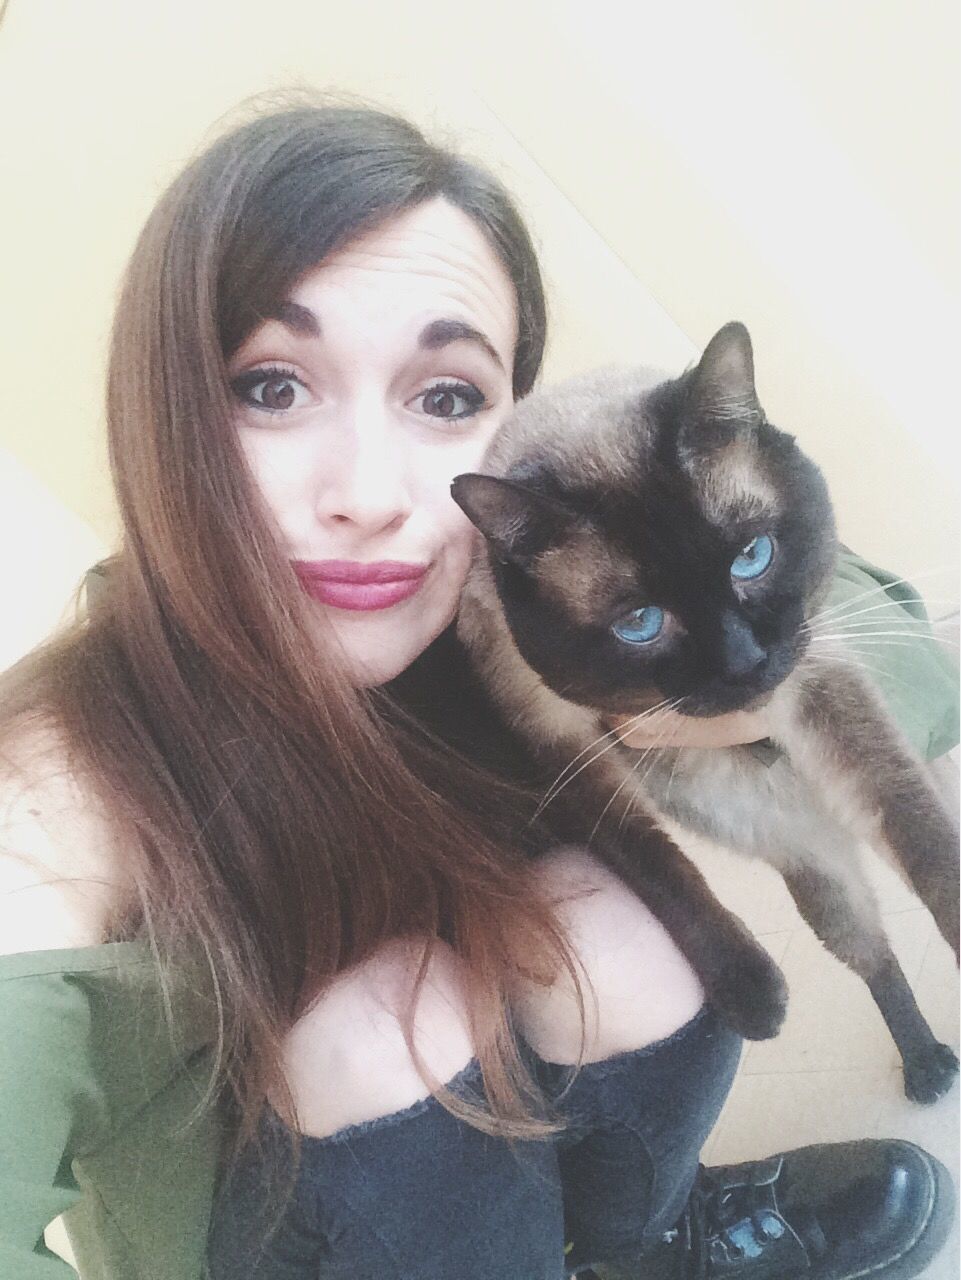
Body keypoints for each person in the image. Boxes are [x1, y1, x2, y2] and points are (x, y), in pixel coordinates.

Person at [0, 98, 956, 1280]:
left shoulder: (508, 569)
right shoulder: (63, 781)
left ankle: (636, 1242)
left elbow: (890, 632)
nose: (369, 491)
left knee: (626, 927)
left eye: (447, 396)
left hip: (505, 1091)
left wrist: (746, 714)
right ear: (167, 415)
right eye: (272, 386)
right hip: (275, 1233)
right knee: (386, 1022)